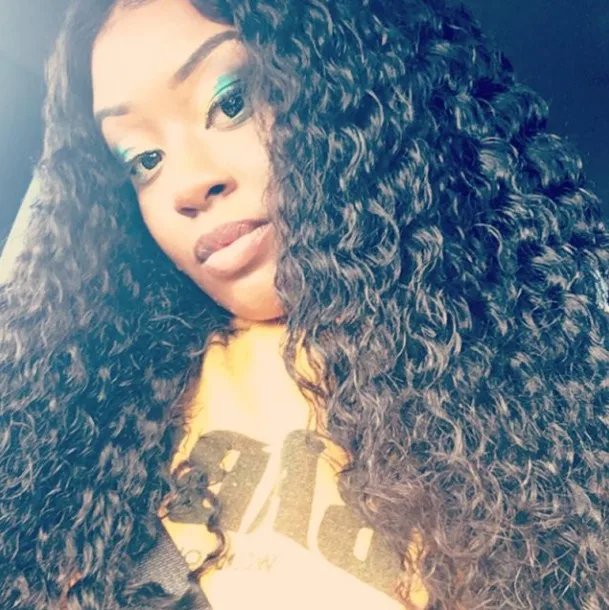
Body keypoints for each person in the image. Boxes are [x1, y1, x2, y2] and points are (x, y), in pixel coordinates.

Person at [2, 0, 609, 608]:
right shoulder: (87, 417)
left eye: (231, 103)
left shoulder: (554, 393)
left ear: (357, 97)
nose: (186, 184)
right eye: (144, 160)